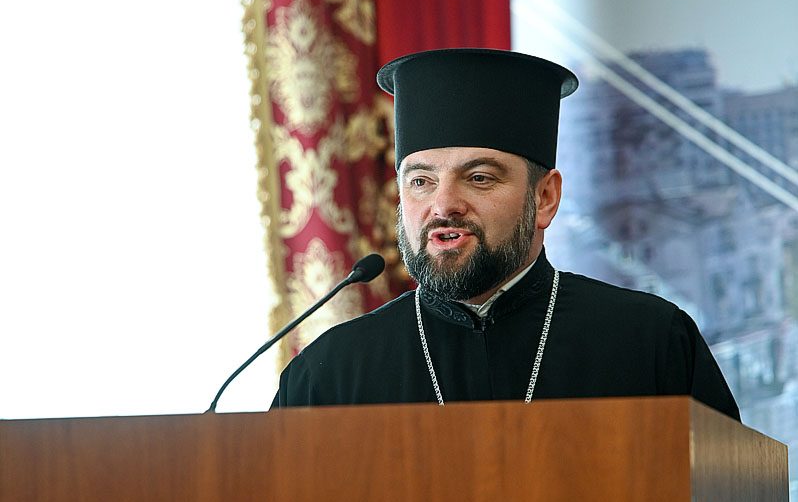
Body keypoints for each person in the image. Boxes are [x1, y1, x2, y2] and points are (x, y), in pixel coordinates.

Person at [272, 48, 739, 419]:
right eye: (421, 181)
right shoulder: (327, 376)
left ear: (545, 198)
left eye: (479, 178)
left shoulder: (650, 344)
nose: (443, 205)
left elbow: (727, 500)